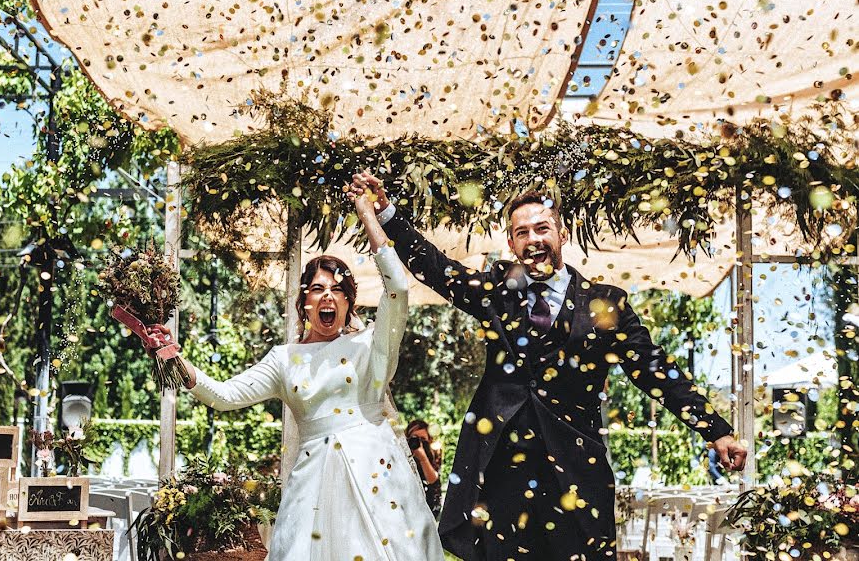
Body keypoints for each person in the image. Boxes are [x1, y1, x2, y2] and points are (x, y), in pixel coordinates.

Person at [351, 172, 749, 561]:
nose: (533, 239)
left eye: (542, 228)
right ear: (511, 242)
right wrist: (386, 212)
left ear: (563, 234)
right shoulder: (497, 291)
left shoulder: (605, 305)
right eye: (522, 232)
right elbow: (438, 269)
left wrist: (716, 431)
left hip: (576, 475)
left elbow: (653, 370)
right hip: (503, 478)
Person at [143, 189, 445, 561]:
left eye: (337, 290)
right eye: (318, 289)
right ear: (304, 302)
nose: (328, 297)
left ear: (350, 301)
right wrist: (173, 357)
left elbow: (397, 287)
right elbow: (223, 396)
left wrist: (369, 215)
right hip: (313, 489)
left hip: (379, 479)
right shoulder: (283, 360)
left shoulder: (372, 346)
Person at [406, 419, 443, 517]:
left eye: (422, 439)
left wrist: (423, 458)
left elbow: (433, 480)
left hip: (430, 502)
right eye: (415, 438)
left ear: (429, 440)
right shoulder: (403, 453)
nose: (419, 443)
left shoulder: (435, 452)